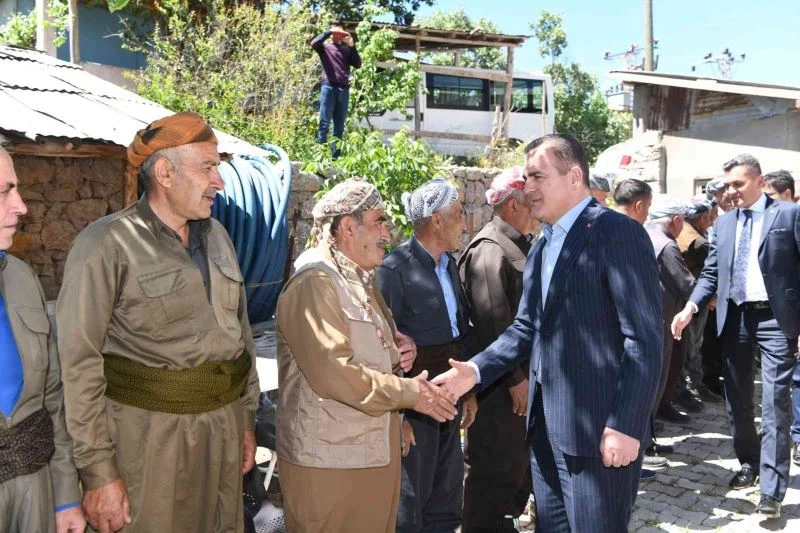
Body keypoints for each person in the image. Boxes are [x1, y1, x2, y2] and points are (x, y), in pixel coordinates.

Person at [433, 134, 663, 532]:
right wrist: (474, 371)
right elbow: (526, 328)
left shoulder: (617, 233)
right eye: (526, 178)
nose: (528, 188)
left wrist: (626, 424)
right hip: (546, 434)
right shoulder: (543, 246)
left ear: (574, 177)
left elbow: (643, 340)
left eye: (537, 176)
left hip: (598, 434)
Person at [56, 112, 261, 533]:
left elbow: (241, 338)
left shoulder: (217, 237)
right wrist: (98, 472)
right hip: (149, 443)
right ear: (166, 173)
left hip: (222, 433)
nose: (219, 181)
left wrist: (245, 419)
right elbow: (78, 366)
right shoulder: (106, 245)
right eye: (208, 167)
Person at [274, 179, 456, 532]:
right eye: (379, 222)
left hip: (367, 453)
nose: (388, 233)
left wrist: (399, 353)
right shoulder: (316, 282)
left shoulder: (359, 280)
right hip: (330, 464)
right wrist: (410, 394)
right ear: (347, 227)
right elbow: (334, 373)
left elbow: (372, 354)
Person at [672, 154, 800, 519]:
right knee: (738, 399)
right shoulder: (725, 223)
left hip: (776, 319)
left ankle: (772, 490)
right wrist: (691, 306)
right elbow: (712, 273)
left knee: (774, 402)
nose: (731, 191)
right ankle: (750, 462)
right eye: (727, 185)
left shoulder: (789, 215)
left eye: (738, 184)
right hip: (736, 319)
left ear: (759, 181)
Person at [377, 178, 475, 533]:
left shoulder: (449, 265)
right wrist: (399, 417)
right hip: (416, 405)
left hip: (450, 397)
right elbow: (383, 347)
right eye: (458, 214)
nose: (464, 222)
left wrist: (470, 392)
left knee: (447, 495)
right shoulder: (394, 270)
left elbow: (459, 333)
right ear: (436, 220)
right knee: (410, 501)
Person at [0, 147, 85, 533]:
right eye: (5, 191)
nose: (21, 207)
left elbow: (51, 396)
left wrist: (65, 496)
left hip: (32, 487)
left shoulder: (21, 278)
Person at [458, 166, 537, 533]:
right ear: (512, 205)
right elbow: (493, 326)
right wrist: (515, 379)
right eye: (530, 203)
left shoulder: (519, 244)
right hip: (499, 388)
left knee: (516, 467)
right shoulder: (490, 250)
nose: (536, 210)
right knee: (493, 469)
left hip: (517, 382)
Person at [646, 196, 695, 426]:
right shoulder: (666, 245)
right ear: (676, 220)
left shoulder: (645, 234)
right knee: (660, 372)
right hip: (663, 316)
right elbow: (686, 283)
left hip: (647, 313)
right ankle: (648, 428)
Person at [676, 196, 722, 404]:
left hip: (685, 300)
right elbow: (709, 274)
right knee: (693, 346)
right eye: (710, 217)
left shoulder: (684, 233)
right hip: (695, 301)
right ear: (702, 218)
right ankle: (692, 386)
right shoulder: (698, 241)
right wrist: (711, 298)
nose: (712, 221)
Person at [311, 22, 362, 157]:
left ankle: (335, 158)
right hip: (328, 87)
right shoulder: (325, 47)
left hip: (343, 90)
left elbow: (358, 64)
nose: (337, 35)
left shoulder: (346, 50)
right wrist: (330, 31)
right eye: (335, 32)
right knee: (324, 123)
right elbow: (314, 42)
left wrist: (352, 45)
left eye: (340, 32)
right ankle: (321, 157)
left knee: (339, 126)